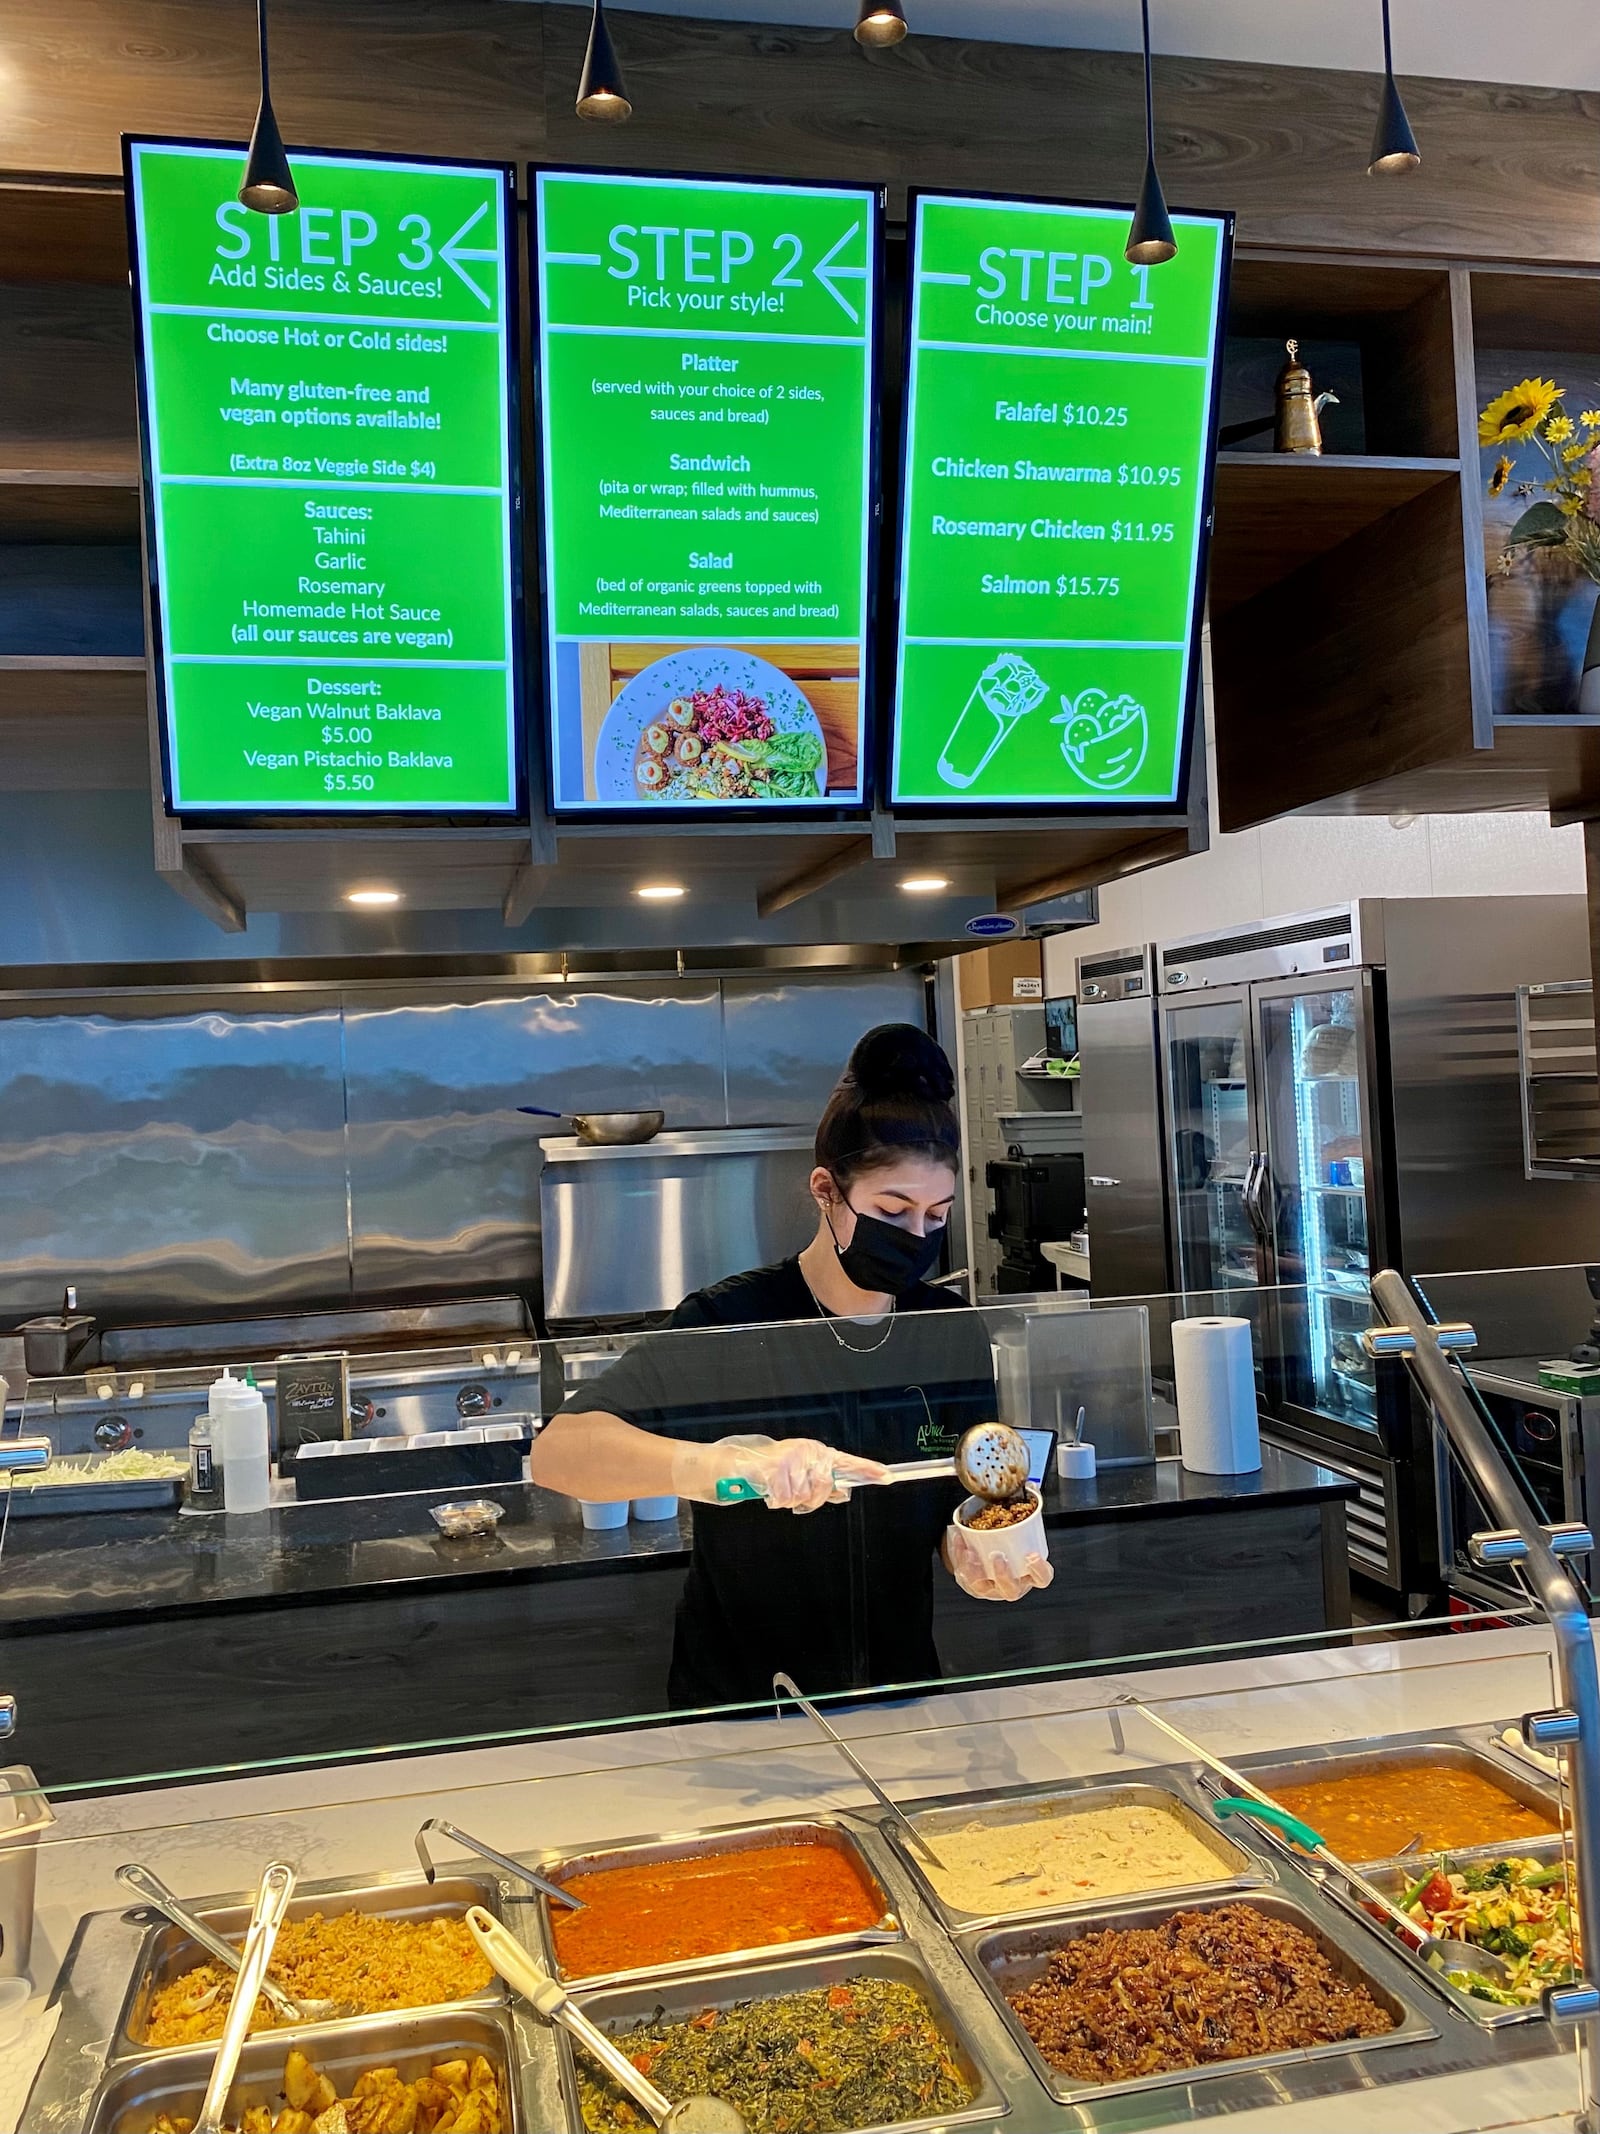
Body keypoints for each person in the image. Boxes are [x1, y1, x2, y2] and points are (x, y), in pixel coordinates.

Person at [528, 1024, 1053, 1707]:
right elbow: (558, 1455)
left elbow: (960, 1502)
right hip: (747, 1708)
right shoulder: (730, 1322)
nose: (917, 1238)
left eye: (936, 1216)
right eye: (893, 1211)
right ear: (826, 1191)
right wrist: (726, 1467)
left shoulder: (947, 1333)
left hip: (900, 1699)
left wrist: (972, 1555)